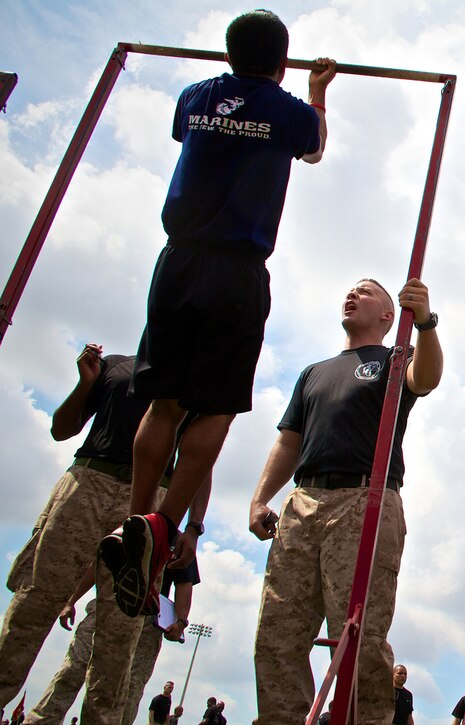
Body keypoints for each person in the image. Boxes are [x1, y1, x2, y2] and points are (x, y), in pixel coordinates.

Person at [100, 9, 338, 619]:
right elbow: (312, 149)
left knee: (164, 403)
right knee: (218, 405)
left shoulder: (195, 96)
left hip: (177, 262)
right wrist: (316, 93)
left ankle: (137, 517)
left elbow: (191, 130)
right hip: (236, 269)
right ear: (282, 63)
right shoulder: (286, 109)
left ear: (227, 56)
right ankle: (158, 530)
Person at [249, 276, 443, 724]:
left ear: (388, 315)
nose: (352, 295)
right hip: (303, 501)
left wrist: (427, 323)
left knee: (359, 634)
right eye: (350, 291)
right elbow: (288, 442)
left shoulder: (396, 358)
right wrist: (261, 498)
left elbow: (427, 378)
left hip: (366, 497)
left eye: (367, 291)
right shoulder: (313, 372)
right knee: (277, 634)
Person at [0, 345, 206, 719]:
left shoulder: (196, 382)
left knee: (121, 633)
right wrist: (86, 383)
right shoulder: (115, 366)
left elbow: (200, 461)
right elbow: (61, 429)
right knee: (34, 603)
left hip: (152, 500)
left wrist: (193, 526)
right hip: (89, 481)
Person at [27, 557, 199, 725]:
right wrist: (71, 601)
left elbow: (184, 583)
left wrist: (181, 622)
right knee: (72, 671)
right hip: (107, 605)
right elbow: (99, 562)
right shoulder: (125, 528)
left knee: (128, 687)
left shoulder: (180, 543)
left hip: (146, 621)